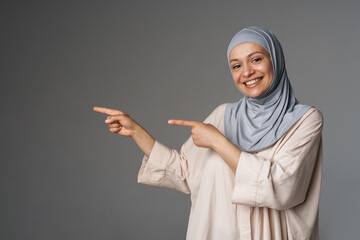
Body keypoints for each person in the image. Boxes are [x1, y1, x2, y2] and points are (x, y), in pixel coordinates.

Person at [93, 26, 323, 240]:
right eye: (236, 65)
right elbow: (184, 171)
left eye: (256, 59)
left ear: (275, 59)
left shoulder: (305, 120)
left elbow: (282, 188)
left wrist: (218, 142)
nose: (247, 72)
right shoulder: (223, 115)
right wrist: (136, 132)